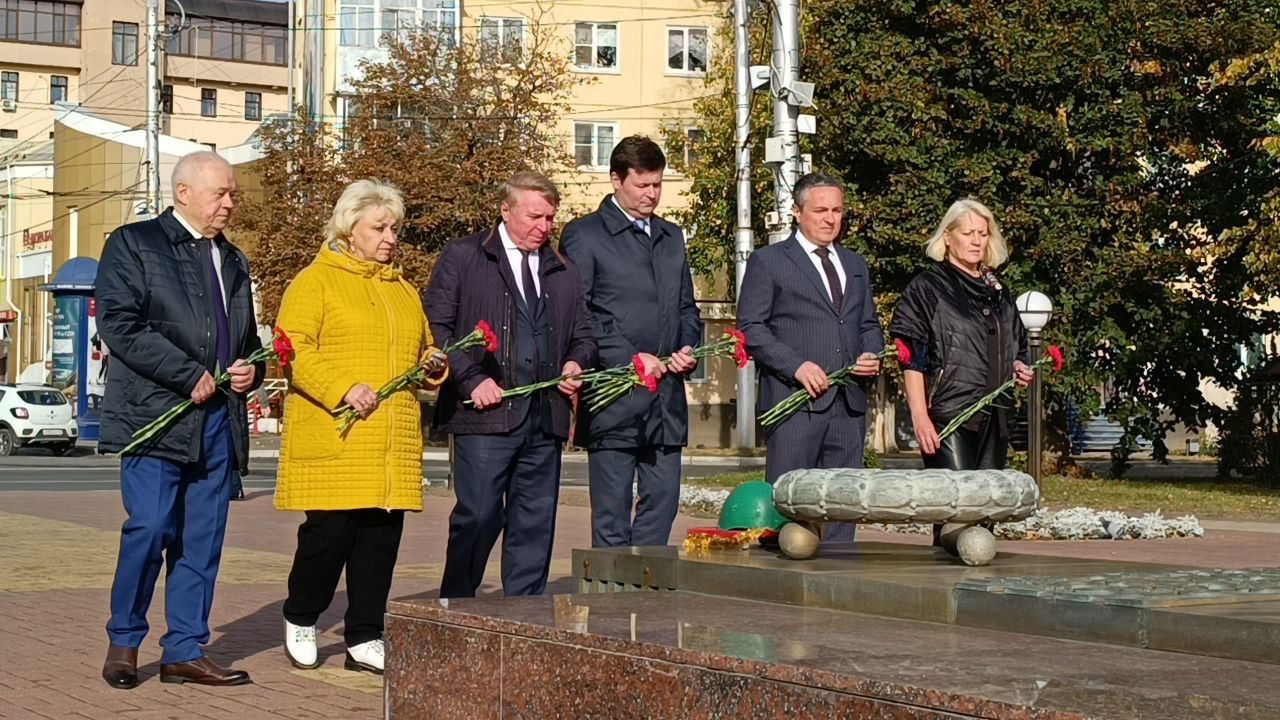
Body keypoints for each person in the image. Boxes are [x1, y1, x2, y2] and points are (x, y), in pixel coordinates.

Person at [96, 151, 263, 689]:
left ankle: (184, 650)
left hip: (217, 422)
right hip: (158, 415)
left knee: (202, 540)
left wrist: (249, 373)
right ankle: (124, 643)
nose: (231, 204)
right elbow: (119, 324)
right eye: (222, 194)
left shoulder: (233, 260)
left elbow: (250, 343)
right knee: (149, 529)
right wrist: (186, 373)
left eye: (233, 194)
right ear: (184, 193)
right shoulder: (133, 244)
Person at [273, 179, 448, 675]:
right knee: (328, 537)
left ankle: (365, 635)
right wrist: (344, 387)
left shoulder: (404, 291)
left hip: (390, 438)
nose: (390, 236)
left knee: (379, 542)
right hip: (339, 433)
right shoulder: (315, 281)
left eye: (395, 227)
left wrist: (433, 365)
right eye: (380, 227)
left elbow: (421, 351)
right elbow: (294, 351)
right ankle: (302, 615)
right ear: (350, 229)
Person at [426, 171, 596, 598]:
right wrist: (470, 378)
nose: (544, 227)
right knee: (479, 516)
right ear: (505, 210)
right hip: (484, 416)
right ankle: (456, 607)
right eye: (534, 216)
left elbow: (585, 334)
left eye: (550, 218)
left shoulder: (562, 269)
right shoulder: (464, 257)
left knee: (534, 524)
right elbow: (437, 326)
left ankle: (524, 618)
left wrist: (576, 362)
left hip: (544, 419)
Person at [560, 136, 702, 549]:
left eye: (657, 184)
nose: (652, 194)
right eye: (642, 185)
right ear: (615, 180)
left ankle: (644, 590)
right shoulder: (584, 235)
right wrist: (629, 358)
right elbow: (579, 314)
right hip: (614, 400)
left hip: (666, 403)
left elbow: (686, 308)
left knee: (664, 501)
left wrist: (688, 347)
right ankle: (610, 602)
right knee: (612, 514)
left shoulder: (672, 236)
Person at [736, 172, 883, 542]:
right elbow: (750, 328)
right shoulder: (769, 261)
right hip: (794, 405)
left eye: (837, 210)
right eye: (820, 210)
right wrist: (796, 366)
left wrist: (871, 352)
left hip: (847, 406)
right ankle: (783, 590)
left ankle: (836, 585)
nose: (830, 218)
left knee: (840, 507)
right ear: (797, 212)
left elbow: (868, 324)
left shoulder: (854, 264)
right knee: (790, 507)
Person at [888, 198, 1031, 544]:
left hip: (995, 416)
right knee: (956, 507)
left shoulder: (998, 291)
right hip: (950, 415)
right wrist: (920, 418)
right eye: (967, 232)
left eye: (983, 233)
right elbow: (911, 357)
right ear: (947, 237)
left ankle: (977, 585)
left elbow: (1017, 343)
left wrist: (1019, 365)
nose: (976, 240)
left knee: (985, 508)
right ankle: (945, 583)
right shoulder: (928, 288)